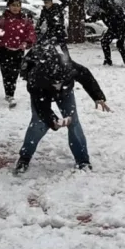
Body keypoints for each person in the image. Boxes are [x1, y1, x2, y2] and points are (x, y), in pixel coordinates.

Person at [15, 39, 111, 174]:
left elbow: (86, 76)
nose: (58, 83)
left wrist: (98, 97)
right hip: (43, 93)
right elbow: (42, 108)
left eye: (61, 79)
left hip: (66, 92)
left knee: (74, 121)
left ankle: (83, 160)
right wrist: (52, 121)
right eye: (55, 81)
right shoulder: (35, 80)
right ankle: (24, 158)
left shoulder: (70, 66)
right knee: (38, 122)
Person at [0, 0, 36, 107]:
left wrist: (26, 42)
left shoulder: (25, 20)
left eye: (18, 5)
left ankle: (10, 93)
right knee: (5, 72)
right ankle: (8, 93)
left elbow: (31, 33)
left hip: (18, 50)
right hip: (4, 49)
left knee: (14, 72)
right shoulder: (1, 19)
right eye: (13, 5)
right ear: (9, 6)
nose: (16, 8)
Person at [88, 0, 125, 68]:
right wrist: (85, 20)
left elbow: (120, 22)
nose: (98, 9)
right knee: (105, 42)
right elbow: (94, 18)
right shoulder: (102, 13)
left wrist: (124, 31)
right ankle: (108, 60)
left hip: (120, 29)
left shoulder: (114, 11)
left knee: (119, 45)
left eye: (99, 7)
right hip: (112, 29)